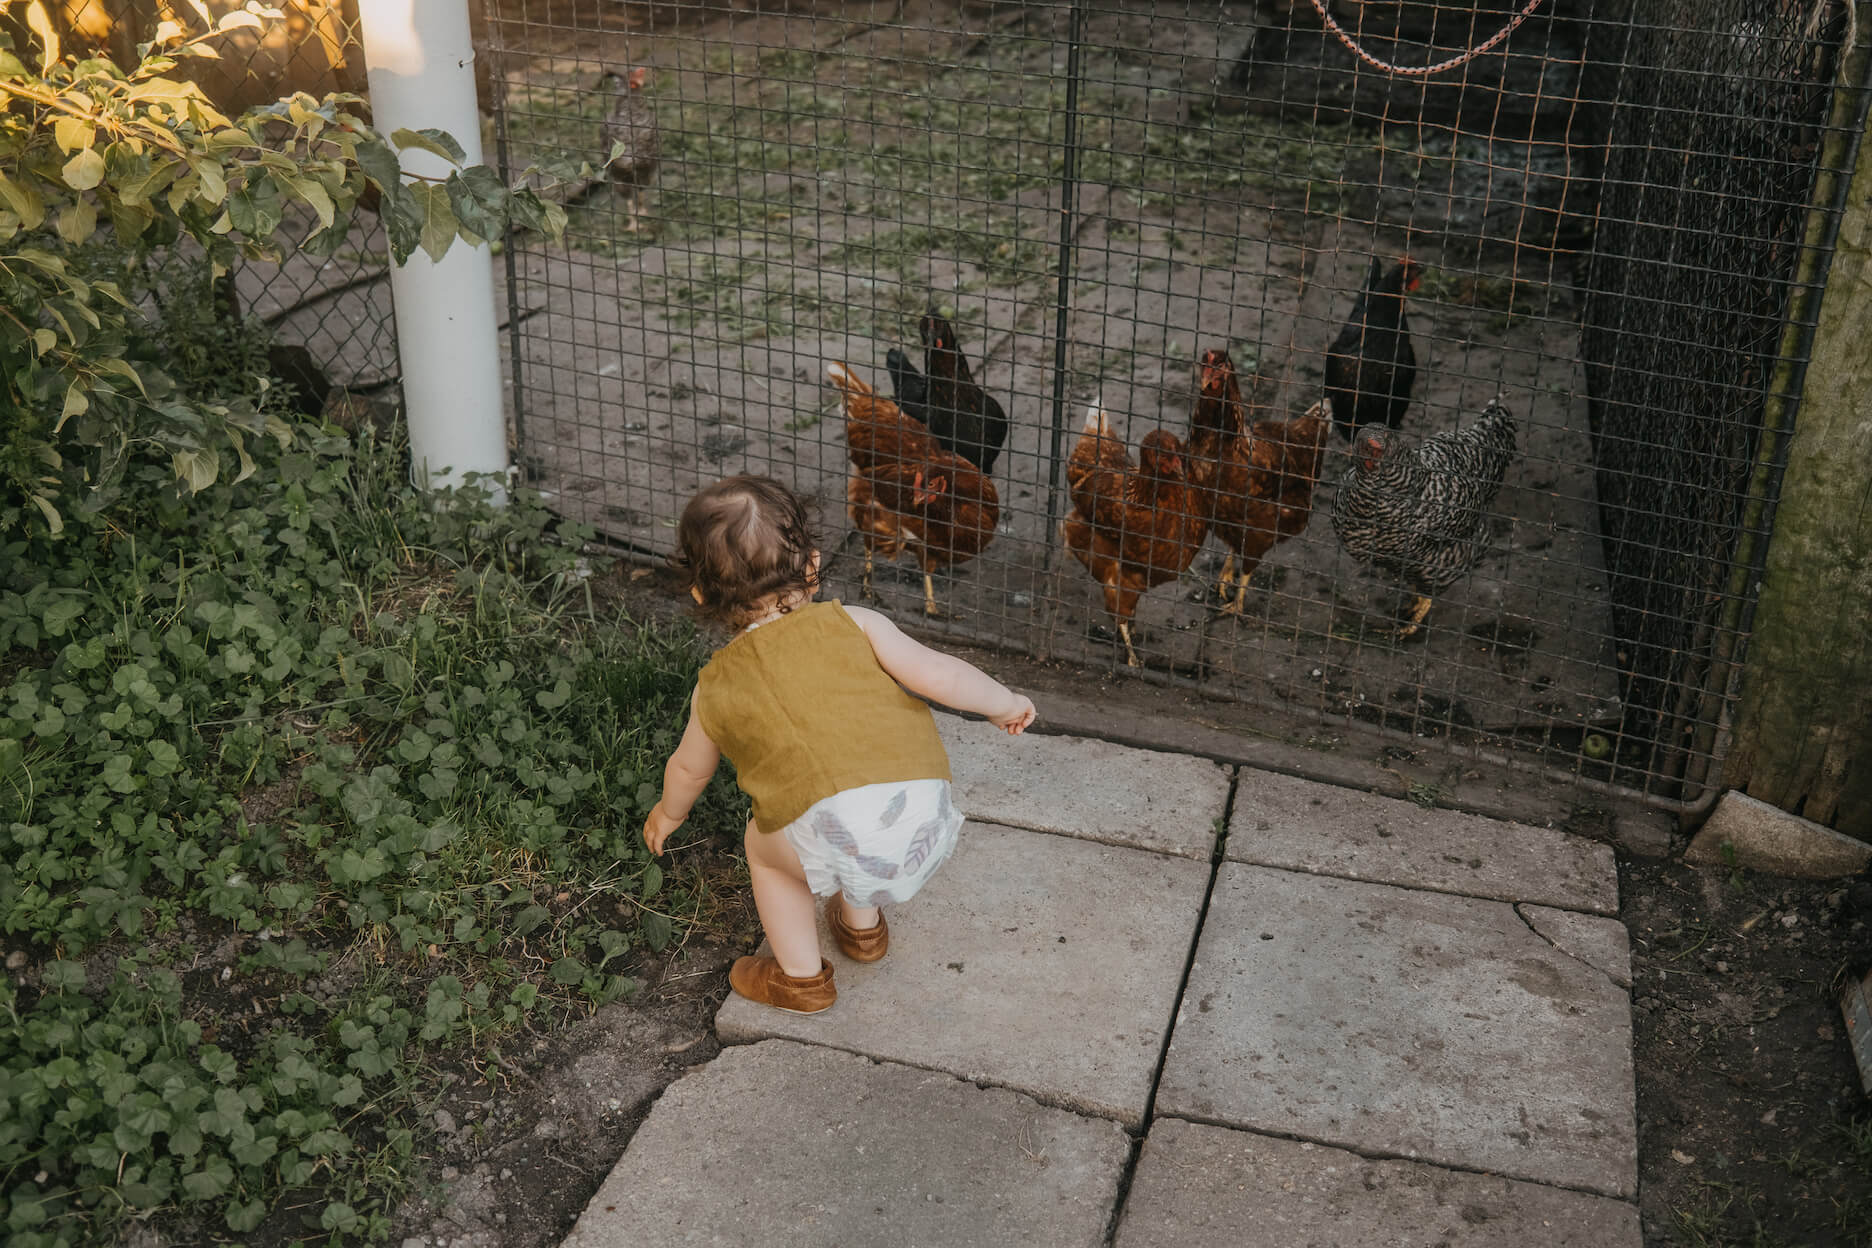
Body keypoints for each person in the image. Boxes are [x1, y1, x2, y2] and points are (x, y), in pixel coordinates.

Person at [642, 475, 1035, 1014]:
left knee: (766, 850)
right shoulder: (856, 623)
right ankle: (861, 929)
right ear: (812, 566)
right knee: (852, 811)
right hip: (922, 815)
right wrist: (1004, 703)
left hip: (833, 834)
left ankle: (801, 978)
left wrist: (669, 813)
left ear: (701, 595)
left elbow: (690, 769)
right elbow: (940, 675)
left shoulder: (714, 685)